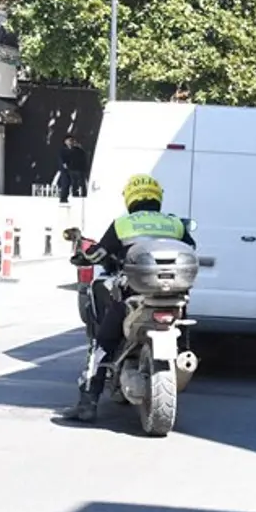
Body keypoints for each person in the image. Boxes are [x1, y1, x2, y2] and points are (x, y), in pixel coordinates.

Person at [63, 174, 197, 423]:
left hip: (133, 296)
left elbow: (98, 254)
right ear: (157, 197)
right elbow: (192, 249)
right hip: (173, 297)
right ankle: (184, 352)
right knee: (183, 325)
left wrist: (83, 254)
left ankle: (87, 403)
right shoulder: (175, 223)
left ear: (130, 198)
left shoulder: (123, 224)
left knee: (103, 342)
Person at [58, 136, 88, 203]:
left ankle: (79, 195)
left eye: (71, 140)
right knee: (66, 183)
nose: (70, 142)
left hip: (75, 169)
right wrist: (64, 164)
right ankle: (64, 198)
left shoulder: (77, 149)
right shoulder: (63, 150)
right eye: (69, 140)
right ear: (65, 142)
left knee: (78, 182)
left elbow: (82, 157)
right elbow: (62, 158)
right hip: (66, 170)